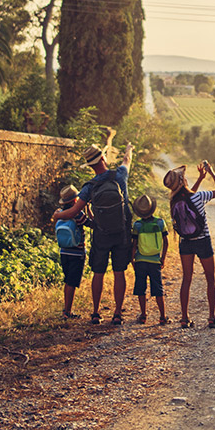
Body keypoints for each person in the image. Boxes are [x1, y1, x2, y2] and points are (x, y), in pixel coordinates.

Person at [53, 131, 134, 325]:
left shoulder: (89, 186)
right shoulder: (120, 175)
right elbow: (127, 160)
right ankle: (117, 313)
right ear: (104, 158)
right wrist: (129, 149)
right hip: (121, 232)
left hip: (101, 234)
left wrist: (57, 216)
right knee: (119, 272)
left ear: (90, 165)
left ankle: (96, 313)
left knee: (98, 273)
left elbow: (73, 211)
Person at [163, 161, 215, 328]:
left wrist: (199, 179)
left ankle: (184, 318)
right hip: (203, 240)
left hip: (186, 243)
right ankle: (211, 317)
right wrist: (211, 173)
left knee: (187, 279)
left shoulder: (174, 201)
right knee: (210, 279)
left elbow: (188, 196)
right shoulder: (198, 197)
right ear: (183, 181)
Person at [130, 194, 171, 325]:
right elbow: (166, 242)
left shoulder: (137, 225)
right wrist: (163, 258)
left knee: (141, 288)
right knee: (158, 289)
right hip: (155, 261)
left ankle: (143, 315)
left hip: (141, 261)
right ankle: (163, 316)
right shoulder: (160, 223)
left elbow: (134, 245)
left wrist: (132, 260)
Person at [54, 185, 93, 319]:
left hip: (64, 251)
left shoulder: (59, 212)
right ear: (75, 200)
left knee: (67, 281)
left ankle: (67, 309)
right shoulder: (78, 214)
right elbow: (91, 223)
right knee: (72, 282)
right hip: (77, 253)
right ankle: (67, 312)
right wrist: (88, 209)